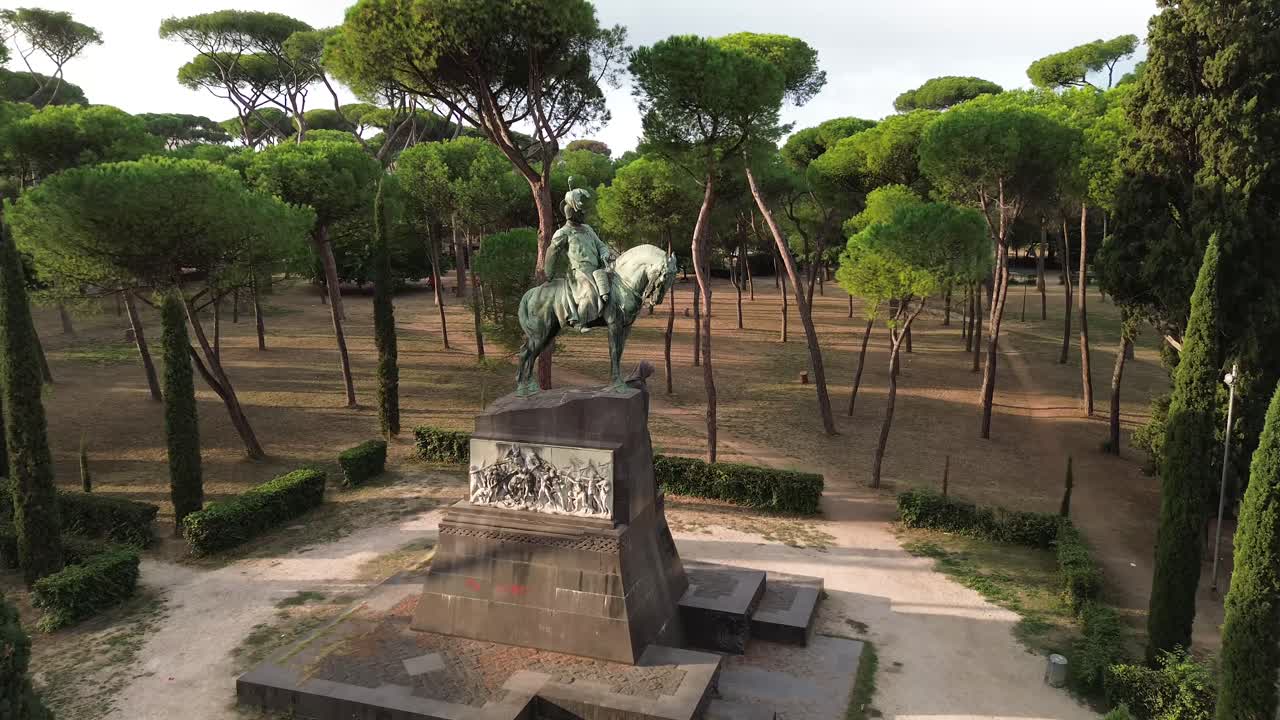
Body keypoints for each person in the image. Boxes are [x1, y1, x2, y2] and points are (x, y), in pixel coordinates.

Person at [546, 184, 616, 331]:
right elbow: (552, 253)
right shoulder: (562, 232)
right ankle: (580, 322)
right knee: (589, 292)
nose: (584, 214)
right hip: (579, 271)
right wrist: (549, 273)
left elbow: (600, 245)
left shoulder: (588, 229)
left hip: (598, 268)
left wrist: (604, 253)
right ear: (573, 213)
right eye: (581, 212)